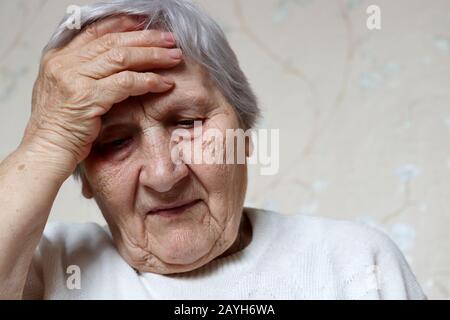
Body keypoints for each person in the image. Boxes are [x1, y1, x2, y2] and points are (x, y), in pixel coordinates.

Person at [0, 0, 426, 299]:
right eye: (115, 142)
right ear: (83, 173)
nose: (165, 175)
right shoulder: (44, 268)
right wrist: (44, 144)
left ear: (244, 130)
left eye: (187, 122)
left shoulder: (354, 261)